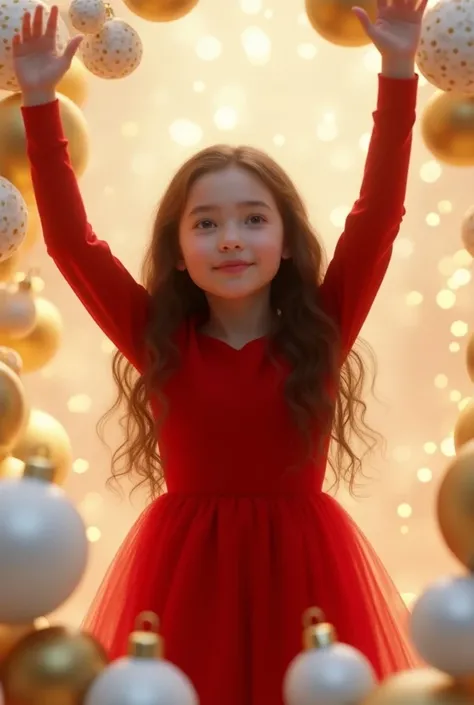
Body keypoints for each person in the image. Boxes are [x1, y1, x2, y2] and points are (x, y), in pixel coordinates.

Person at [14, 1, 425, 701]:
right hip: (185, 578)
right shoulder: (160, 339)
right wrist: (40, 99)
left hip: (308, 575)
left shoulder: (322, 329)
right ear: (178, 251)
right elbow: (71, 244)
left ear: (287, 239)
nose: (230, 238)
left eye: (252, 219)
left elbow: (378, 216)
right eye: (206, 223)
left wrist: (396, 69)